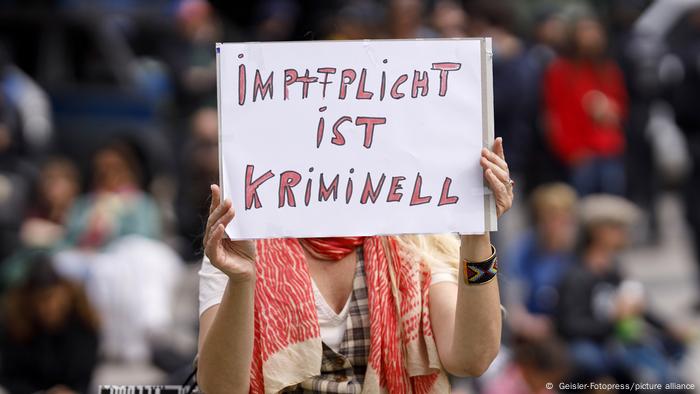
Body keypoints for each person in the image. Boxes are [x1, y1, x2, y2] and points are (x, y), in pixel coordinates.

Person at [197, 138, 513, 392]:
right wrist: (241, 280)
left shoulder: (417, 239)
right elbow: (220, 388)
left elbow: (472, 358)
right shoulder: (241, 242)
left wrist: (477, 236)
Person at [556, 195, 684, 385]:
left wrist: (669, 327)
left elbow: (640, 306)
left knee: (670, 352)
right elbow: (570, 325)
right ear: (597, 231)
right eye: (617, 227)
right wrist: (615, 320)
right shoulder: (576, 275)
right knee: (593, 359)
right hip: (593, 344)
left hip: (618, 339)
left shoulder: (614, 269)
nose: (624, 233)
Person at [543, 13, 628, 196]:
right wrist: (569, 150)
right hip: (579, 153)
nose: (591, 37)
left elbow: (620, 105)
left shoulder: (608, 69)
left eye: (594, 31)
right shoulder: (560, 70)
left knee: (611, 207)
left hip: (608, 149)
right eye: (585, 31)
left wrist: (611, 110)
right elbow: (554, 114)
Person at [0, 255, 99, 394]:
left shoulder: (84, 322)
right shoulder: (16, 325)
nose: (48, 306)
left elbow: (85, 375)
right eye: (40, 299)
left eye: (51, 297)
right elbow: (10, 377)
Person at [507, 183, 578, 340]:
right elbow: (514, 296)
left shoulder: (578, 250)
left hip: (570, 327)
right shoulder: (525, 248)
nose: (557, 225)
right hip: (534, 326)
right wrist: (526, 321)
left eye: (564, 219)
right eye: (551, 218)